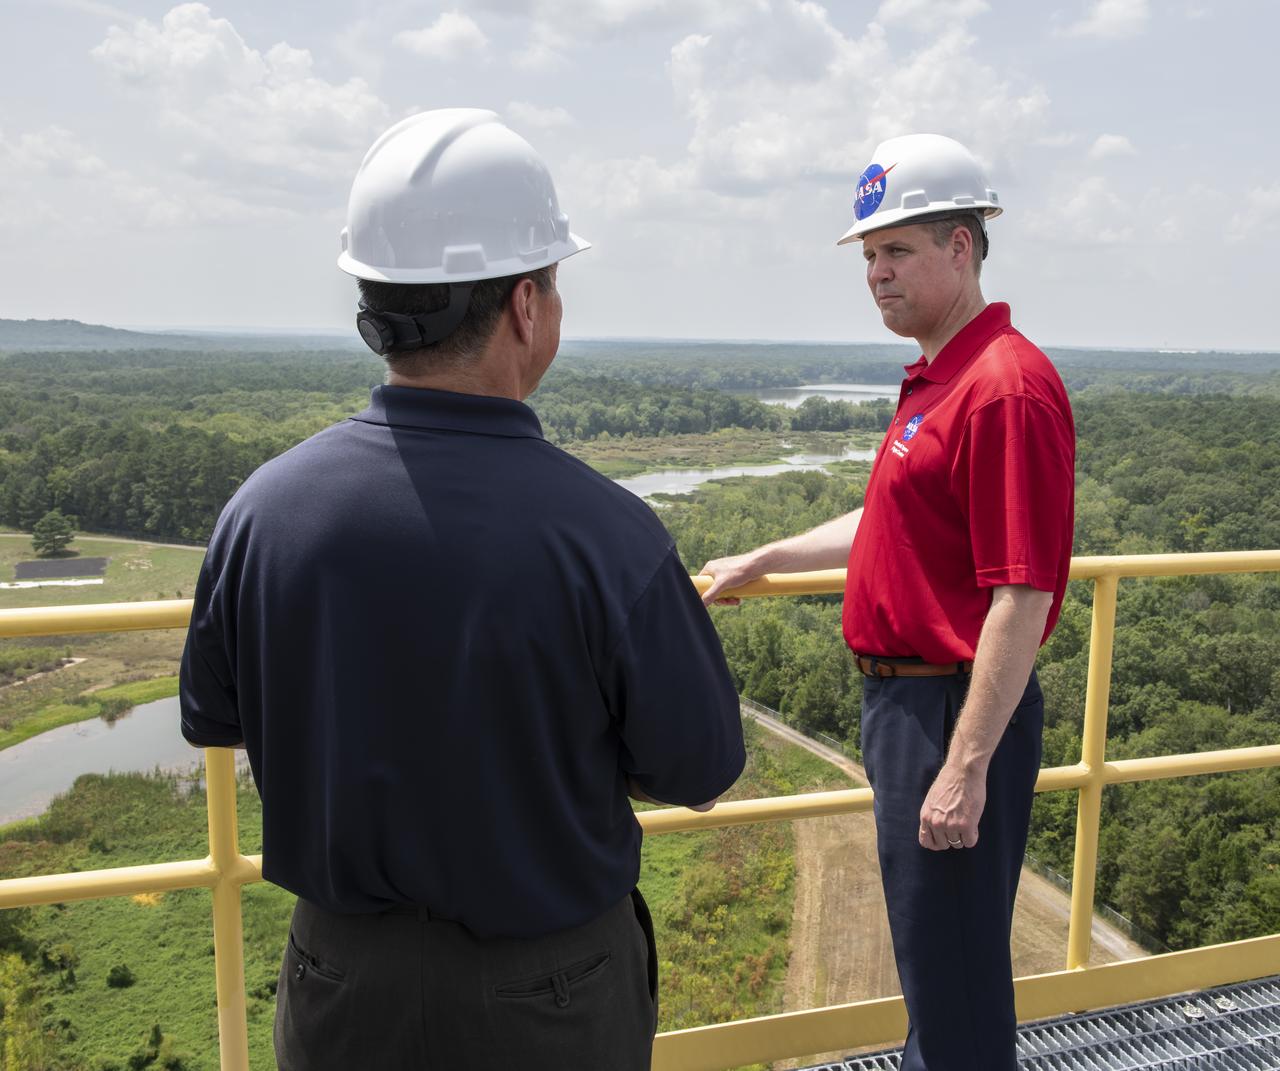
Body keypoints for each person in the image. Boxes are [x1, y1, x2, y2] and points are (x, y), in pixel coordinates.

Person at [179, 109, 745, 1071]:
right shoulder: (606, 534)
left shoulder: (262, 513)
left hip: (338, 985)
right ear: (526, 305)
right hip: (548, 998)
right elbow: (698, 766)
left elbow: (219, 714)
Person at [699, 133, 1075, 1070]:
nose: (876, 273)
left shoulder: (1003, 388)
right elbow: (890, 519)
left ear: (962, 246)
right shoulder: (941, 375)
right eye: (869, 255)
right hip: (910, 704)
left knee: (952, 986)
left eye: (897, 250)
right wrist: (769, 554)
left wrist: (964, 764)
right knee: (937, 969)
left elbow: (1022, 593)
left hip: (949, 708)